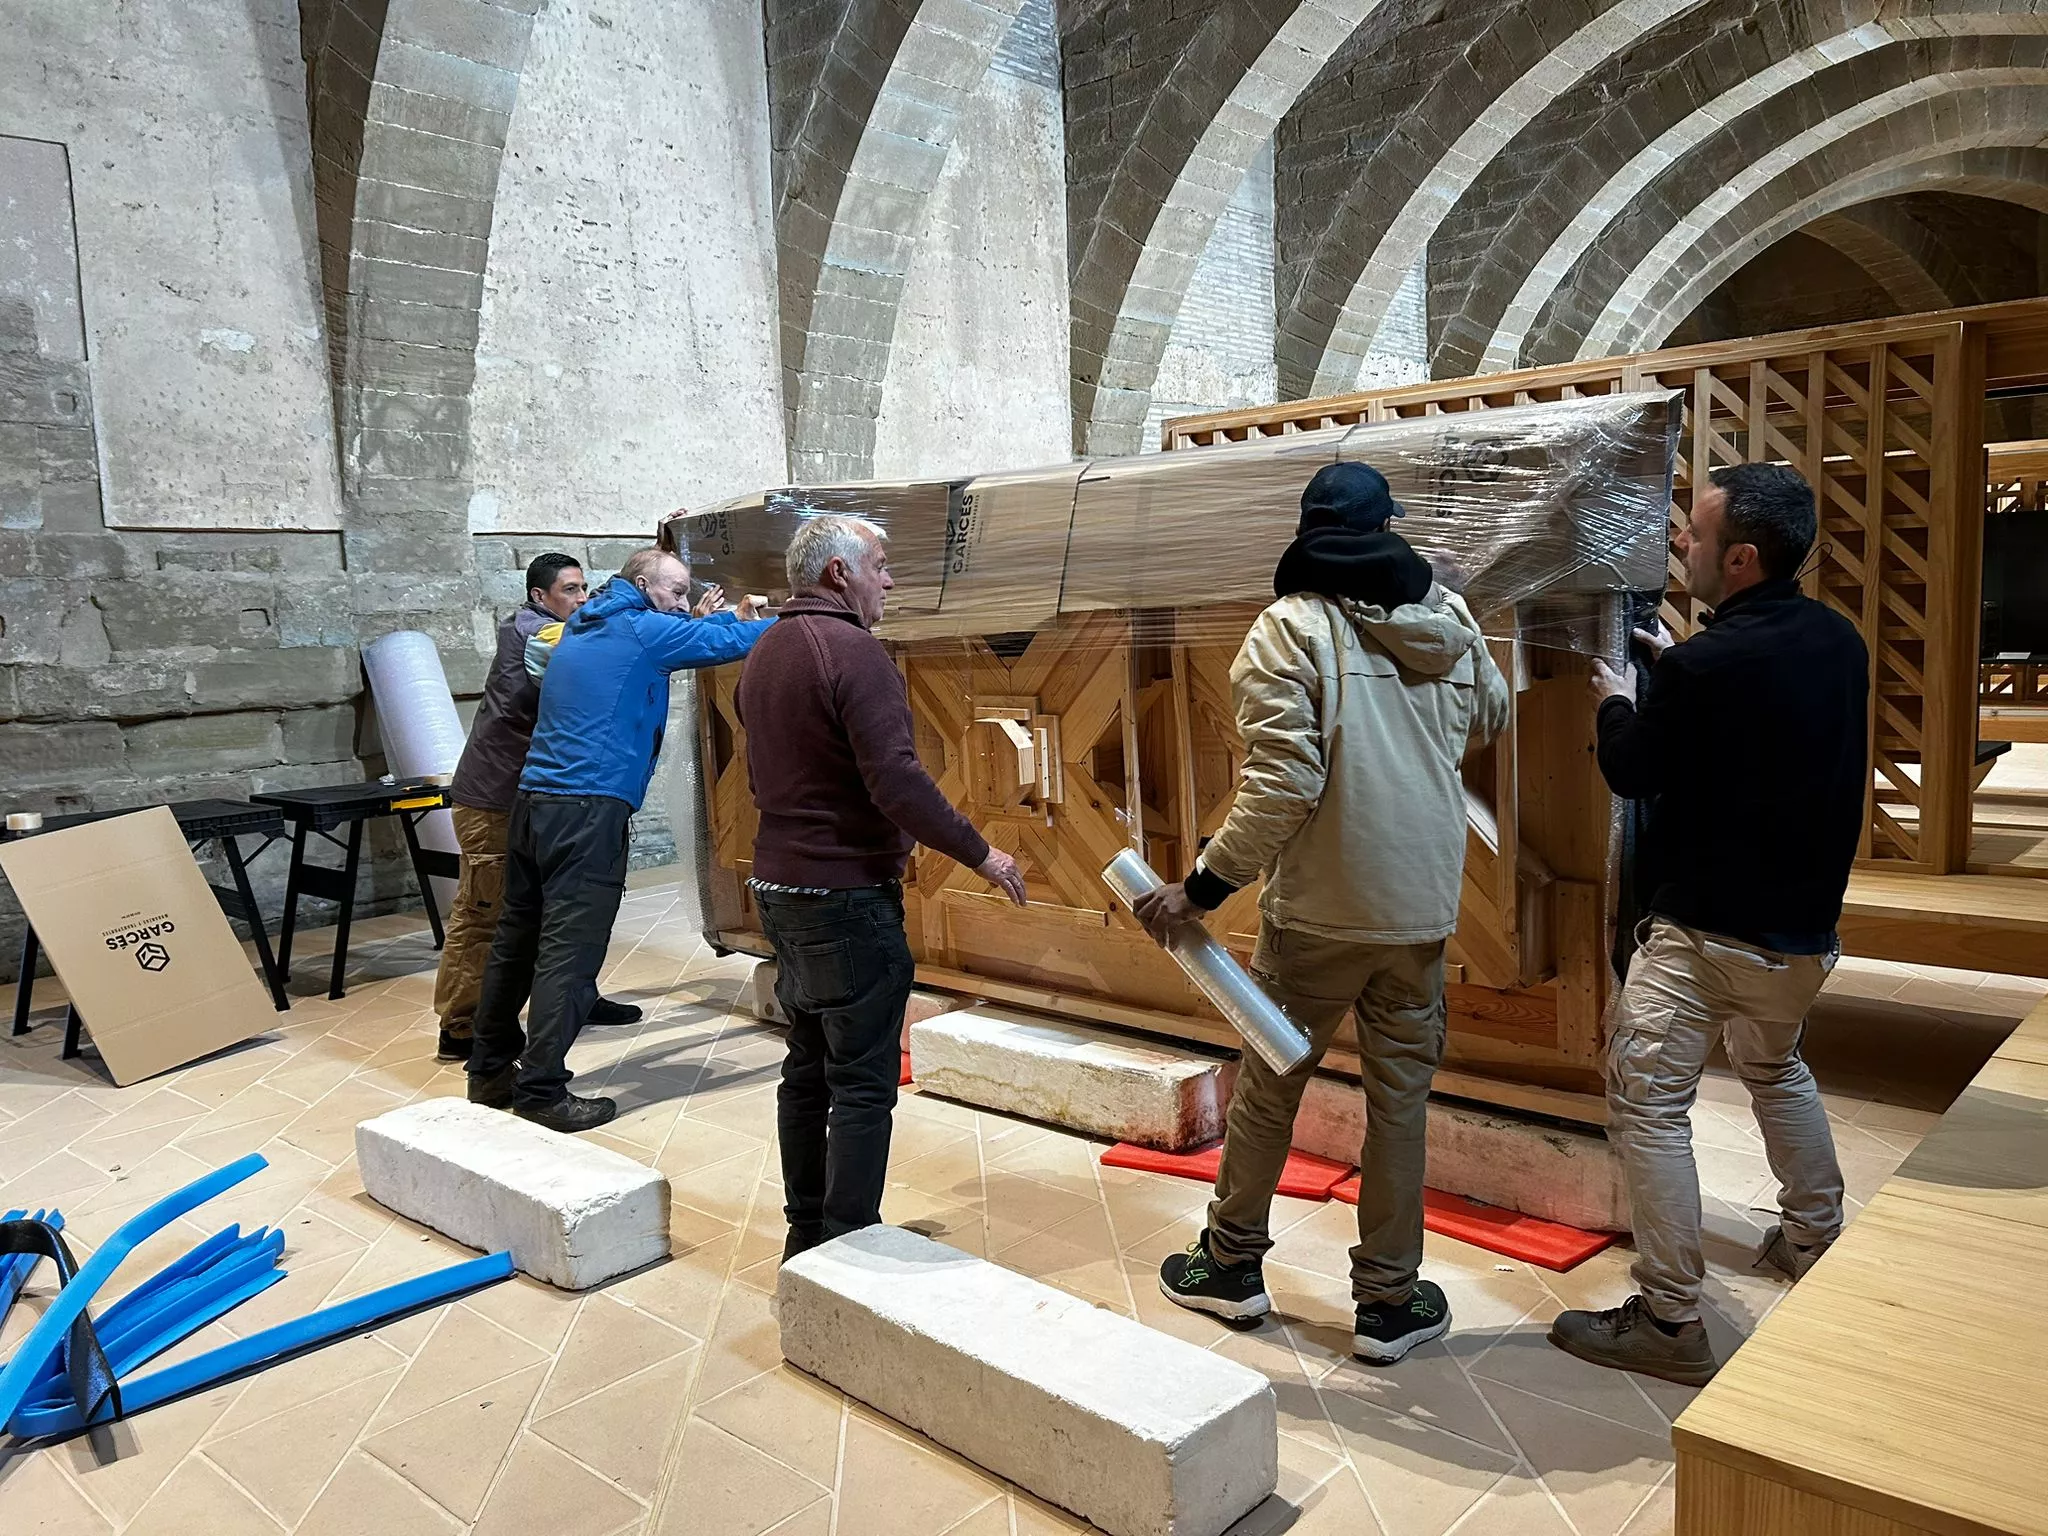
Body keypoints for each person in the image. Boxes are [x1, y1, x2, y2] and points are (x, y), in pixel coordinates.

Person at [1136, 462, 1510, 1364]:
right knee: (1400, 1105)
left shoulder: (1289, 627)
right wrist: (1453, 611)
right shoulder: (1447, 621)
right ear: (1387, 529)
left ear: (1308, 532)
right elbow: (1491, 719)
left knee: (1270, 1092)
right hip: (1418, 914)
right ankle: (1389, 1303)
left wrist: (1201, 888)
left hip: (1316, 917)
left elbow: (1284, 785)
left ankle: (1231, 1267)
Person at [1549, 462, 1868, 1387]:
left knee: (1649, 1105)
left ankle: (1669, 1319)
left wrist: (1617, 696)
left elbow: (1634, 769)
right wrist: (1673, 668)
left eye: (1693, 531)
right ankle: (1813, 1240)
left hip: (1705, 937)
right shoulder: (1837, 640)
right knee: (1775, 1067)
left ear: (1740, 558)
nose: (1677, 540)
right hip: (1803, 934)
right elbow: (1757, 720)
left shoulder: (1703, 667)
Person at [735, 514, 1026, 1260]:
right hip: (843, 894)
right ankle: (848, 1244)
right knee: (862, 1082)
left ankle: (807, 1233)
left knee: (807, 1069)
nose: (889, 581)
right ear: (840, 573)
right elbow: (896, 780)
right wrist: (981, 854)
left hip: (780, 885)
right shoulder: (854, 652)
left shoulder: (765, 649)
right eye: (881, 565)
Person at [466, 548, 771, 1132]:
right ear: (643, 584)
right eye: (676, 591)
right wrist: (801, 616)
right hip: (587, 808)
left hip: (534, 803)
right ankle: (541, 1089)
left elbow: (688, 634)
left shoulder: (587, 621)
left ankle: (490, 1071)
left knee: (518, 938)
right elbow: (726, 642)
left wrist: (717, 617)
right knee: (571, 951)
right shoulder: (639, 629)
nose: (682, 603)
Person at [431, 553, 640, 1062]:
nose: (582, 599)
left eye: (585, 587)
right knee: (485, 913)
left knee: (561, 909)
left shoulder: (558, 626)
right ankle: (461, 1025)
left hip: (534, 800)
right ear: (539, 597)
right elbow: (602, 643)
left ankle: (572, 997)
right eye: (570, 590)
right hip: (494, 801)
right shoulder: (538, 635)